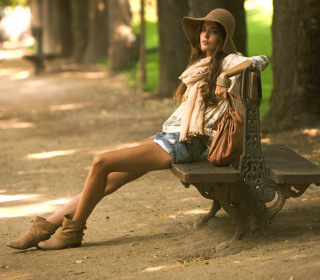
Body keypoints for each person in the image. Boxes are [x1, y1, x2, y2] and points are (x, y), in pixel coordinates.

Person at [7, 8, 269, 251]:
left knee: (101, 163)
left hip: (184, 143)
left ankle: (73, 231)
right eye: (203, 29)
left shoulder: (226, 61)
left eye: (213, 31)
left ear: (223, 37)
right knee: (108, 180)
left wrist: (224, 77)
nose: (206, 35)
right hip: (169, 138)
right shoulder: (203, 63)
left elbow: (260, 60)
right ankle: (48, 225)